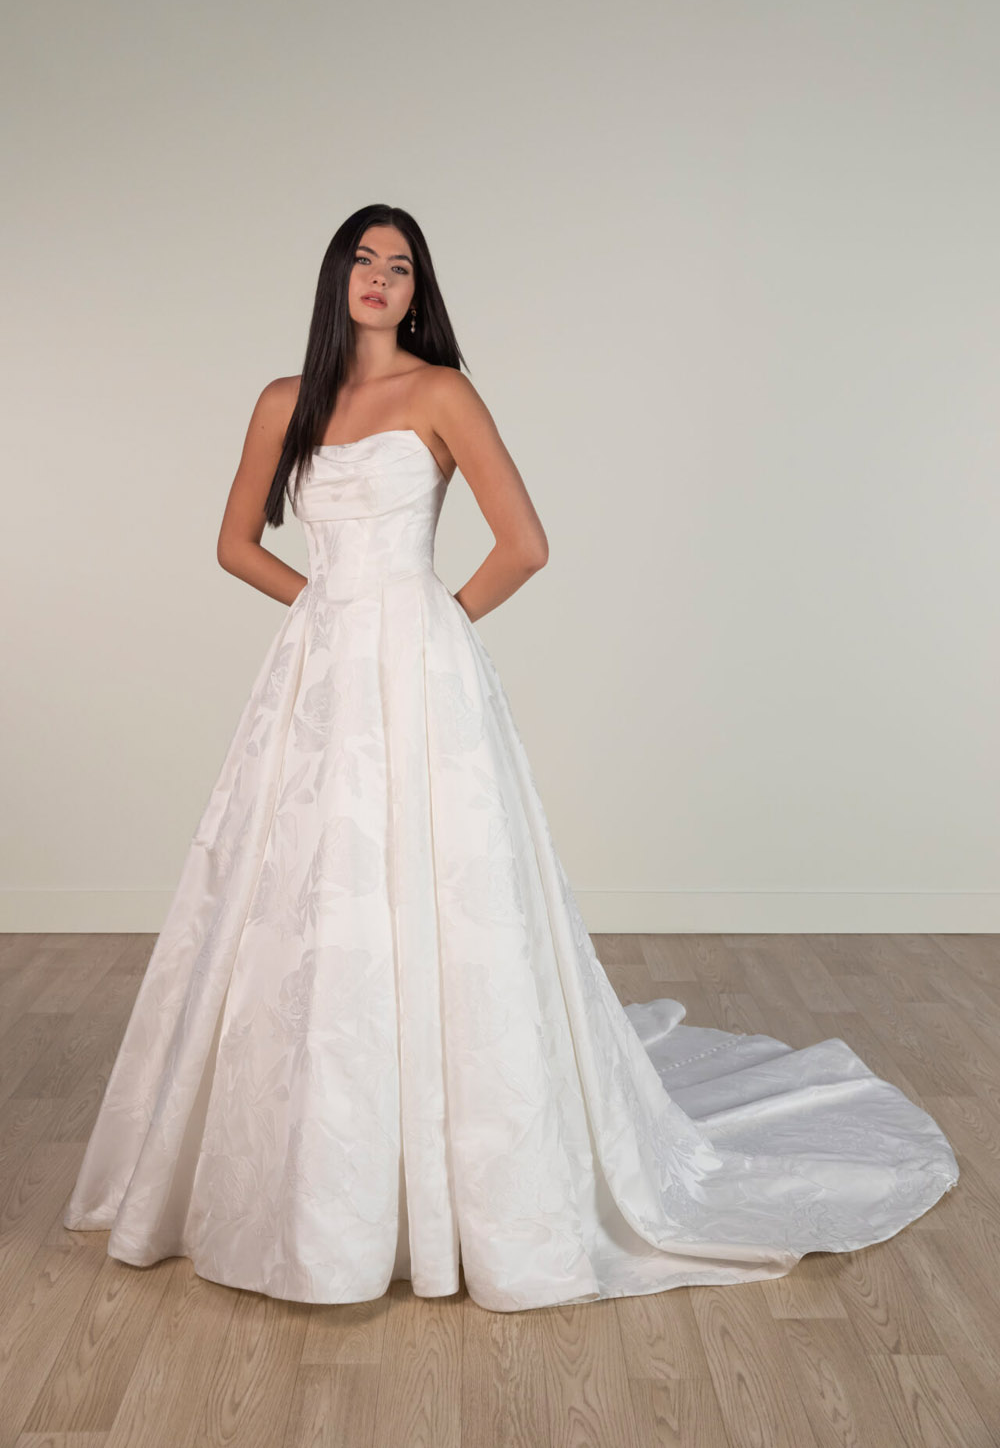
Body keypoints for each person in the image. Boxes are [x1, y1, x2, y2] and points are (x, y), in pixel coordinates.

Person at [62, 204, 959, 1313]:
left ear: (417, 290)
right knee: (303, 893)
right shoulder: (282, 402)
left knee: (438, 888)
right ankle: (313, 1183)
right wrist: (327, 612)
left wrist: (427, 621)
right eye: (363, 260)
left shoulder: (441, 392)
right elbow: (233, 543)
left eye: (400, 266)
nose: (379, 277)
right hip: (317, 683)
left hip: (420, 677)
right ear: (335, 277)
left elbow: (524, 543)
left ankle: (459, 1186)